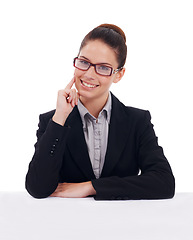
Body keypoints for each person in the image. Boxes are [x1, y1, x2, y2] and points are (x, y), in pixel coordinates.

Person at [25, 24, 175, 200]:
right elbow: (37, 188)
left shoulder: (137, 121)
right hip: (67, 223)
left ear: (118, 75)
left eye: (103, 68)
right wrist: (59, 119)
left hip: (125, 224)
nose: (89, 74)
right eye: (84, 62)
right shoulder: (52, 120)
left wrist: (92, 187)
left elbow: (164, 183)